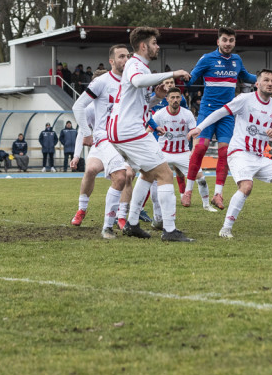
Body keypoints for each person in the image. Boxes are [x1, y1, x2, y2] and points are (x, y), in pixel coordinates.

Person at [188, 69, 272, 238]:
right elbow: (220, 112)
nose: (270, 83)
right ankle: (226, 228)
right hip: (239, 153)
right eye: (266, 80)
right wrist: (199, 128)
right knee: (246, 186)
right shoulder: (244, 99)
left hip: (259, 156)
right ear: (257, 84)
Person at [107, 26, 194, 242]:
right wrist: (173, 74)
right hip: (128, 129)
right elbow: (137, 81)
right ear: (144, 46)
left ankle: (132, 223)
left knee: (147, 174)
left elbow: (140, 101)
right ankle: (170, 230)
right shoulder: (135, 64)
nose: (158, 46)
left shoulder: (140, 67)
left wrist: (156, 97)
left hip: (125, 128)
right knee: (165, 174)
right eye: (154, 43)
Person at [182, 27, 257, 211]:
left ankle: (218, 194)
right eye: (224, 40)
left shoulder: (237, 60)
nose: (228, 43)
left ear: (234, 42)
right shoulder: (207, 58)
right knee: (200, 148)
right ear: (218, 42)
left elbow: (246, 77)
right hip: (207, 111)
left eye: (231, 40)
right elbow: (191, 80)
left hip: (228, 113)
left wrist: (262, 78)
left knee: (224, 153)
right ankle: (188, 191)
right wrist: (183, 78)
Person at [69, 47, 135, 236]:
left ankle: (121, 216)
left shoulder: (131, 83)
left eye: (127, 56)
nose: (126, 59)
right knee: (90, 170)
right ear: (111, 62)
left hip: (120, 140)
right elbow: (81, 129)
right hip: (102, 142)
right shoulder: (93, 102)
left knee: (127, 175)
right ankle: (82, 209)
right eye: (121, 56)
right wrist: (76, 154)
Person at [149, 86, 212, 229]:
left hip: (183, 152)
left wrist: (194, 150)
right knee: (152, 179)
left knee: (201, 178)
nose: (175, 100)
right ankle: (157, 215)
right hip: (164, 152)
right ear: (167, 99)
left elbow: (195, 133)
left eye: (178, 97)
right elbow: (148, 130)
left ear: (181, 98)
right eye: (172, 97)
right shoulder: (159, 114)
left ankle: (207, 205)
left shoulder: (187, 114)